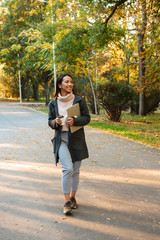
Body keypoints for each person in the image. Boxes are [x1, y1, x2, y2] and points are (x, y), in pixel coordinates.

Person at [48, 73, 90, 215]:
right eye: (66, 82)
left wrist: (76, 121)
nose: (70, 84)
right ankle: (66, 201)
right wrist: (55, 122)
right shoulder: (53, 103)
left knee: (76, 171)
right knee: (67, 168)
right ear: (60, 85)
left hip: (77, 139)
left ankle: (73, 197)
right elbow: (49, 121)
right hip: (62, 140)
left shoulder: (78, 100)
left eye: (71, 82)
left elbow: (87, 118)